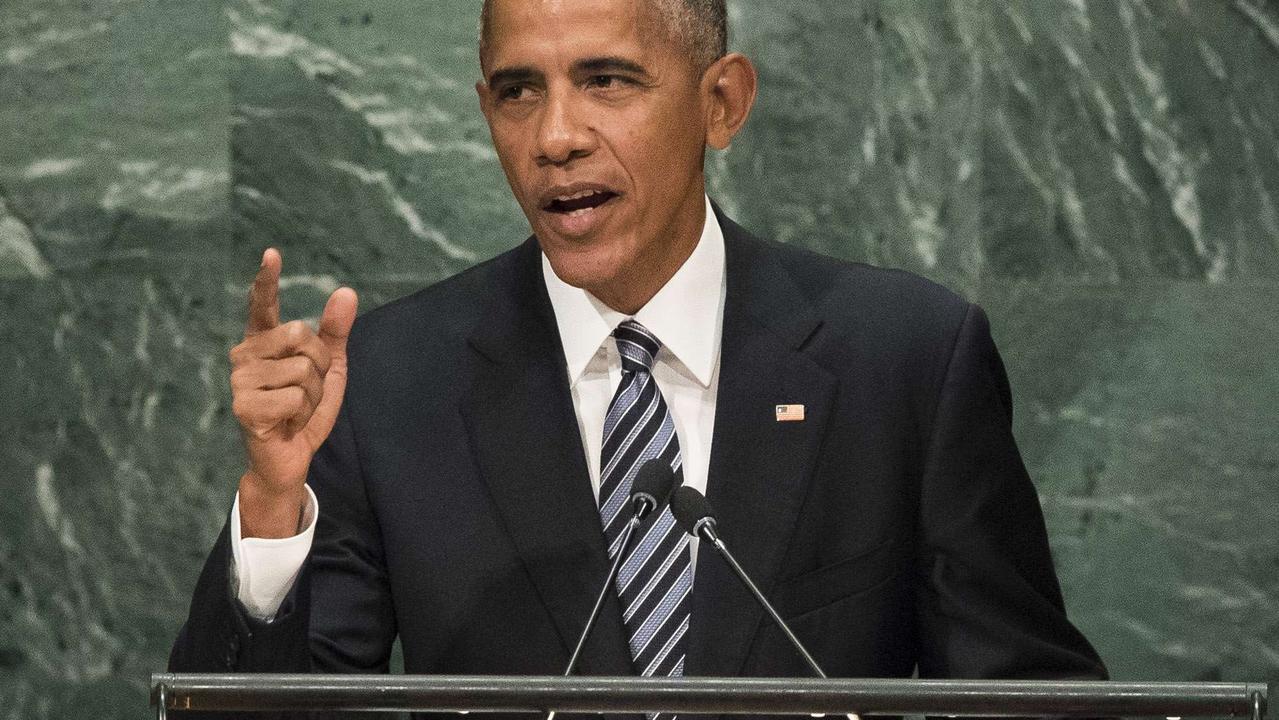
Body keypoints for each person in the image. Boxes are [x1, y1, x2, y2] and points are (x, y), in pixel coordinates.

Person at [170, 0, 1106, 714]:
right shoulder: (389, 382)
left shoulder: (903, 360)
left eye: (607, 80)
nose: (556, 137)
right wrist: (274, 506)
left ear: (721, 102)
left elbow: (1025, 694)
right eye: (517, 91)